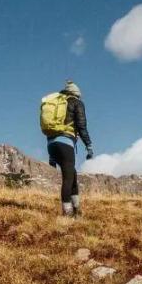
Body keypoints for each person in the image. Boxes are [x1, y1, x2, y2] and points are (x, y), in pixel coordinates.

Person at [43, 80, 93, 216]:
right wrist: (89, 145)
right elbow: (82, 126)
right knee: (68, 178)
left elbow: (53, 129)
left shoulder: (58, 103)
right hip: (65, 144)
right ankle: (68, 213)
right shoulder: (76, 103)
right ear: (77, 94)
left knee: (73, 175)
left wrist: (51, 157)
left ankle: (77, 210)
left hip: (51, 145)